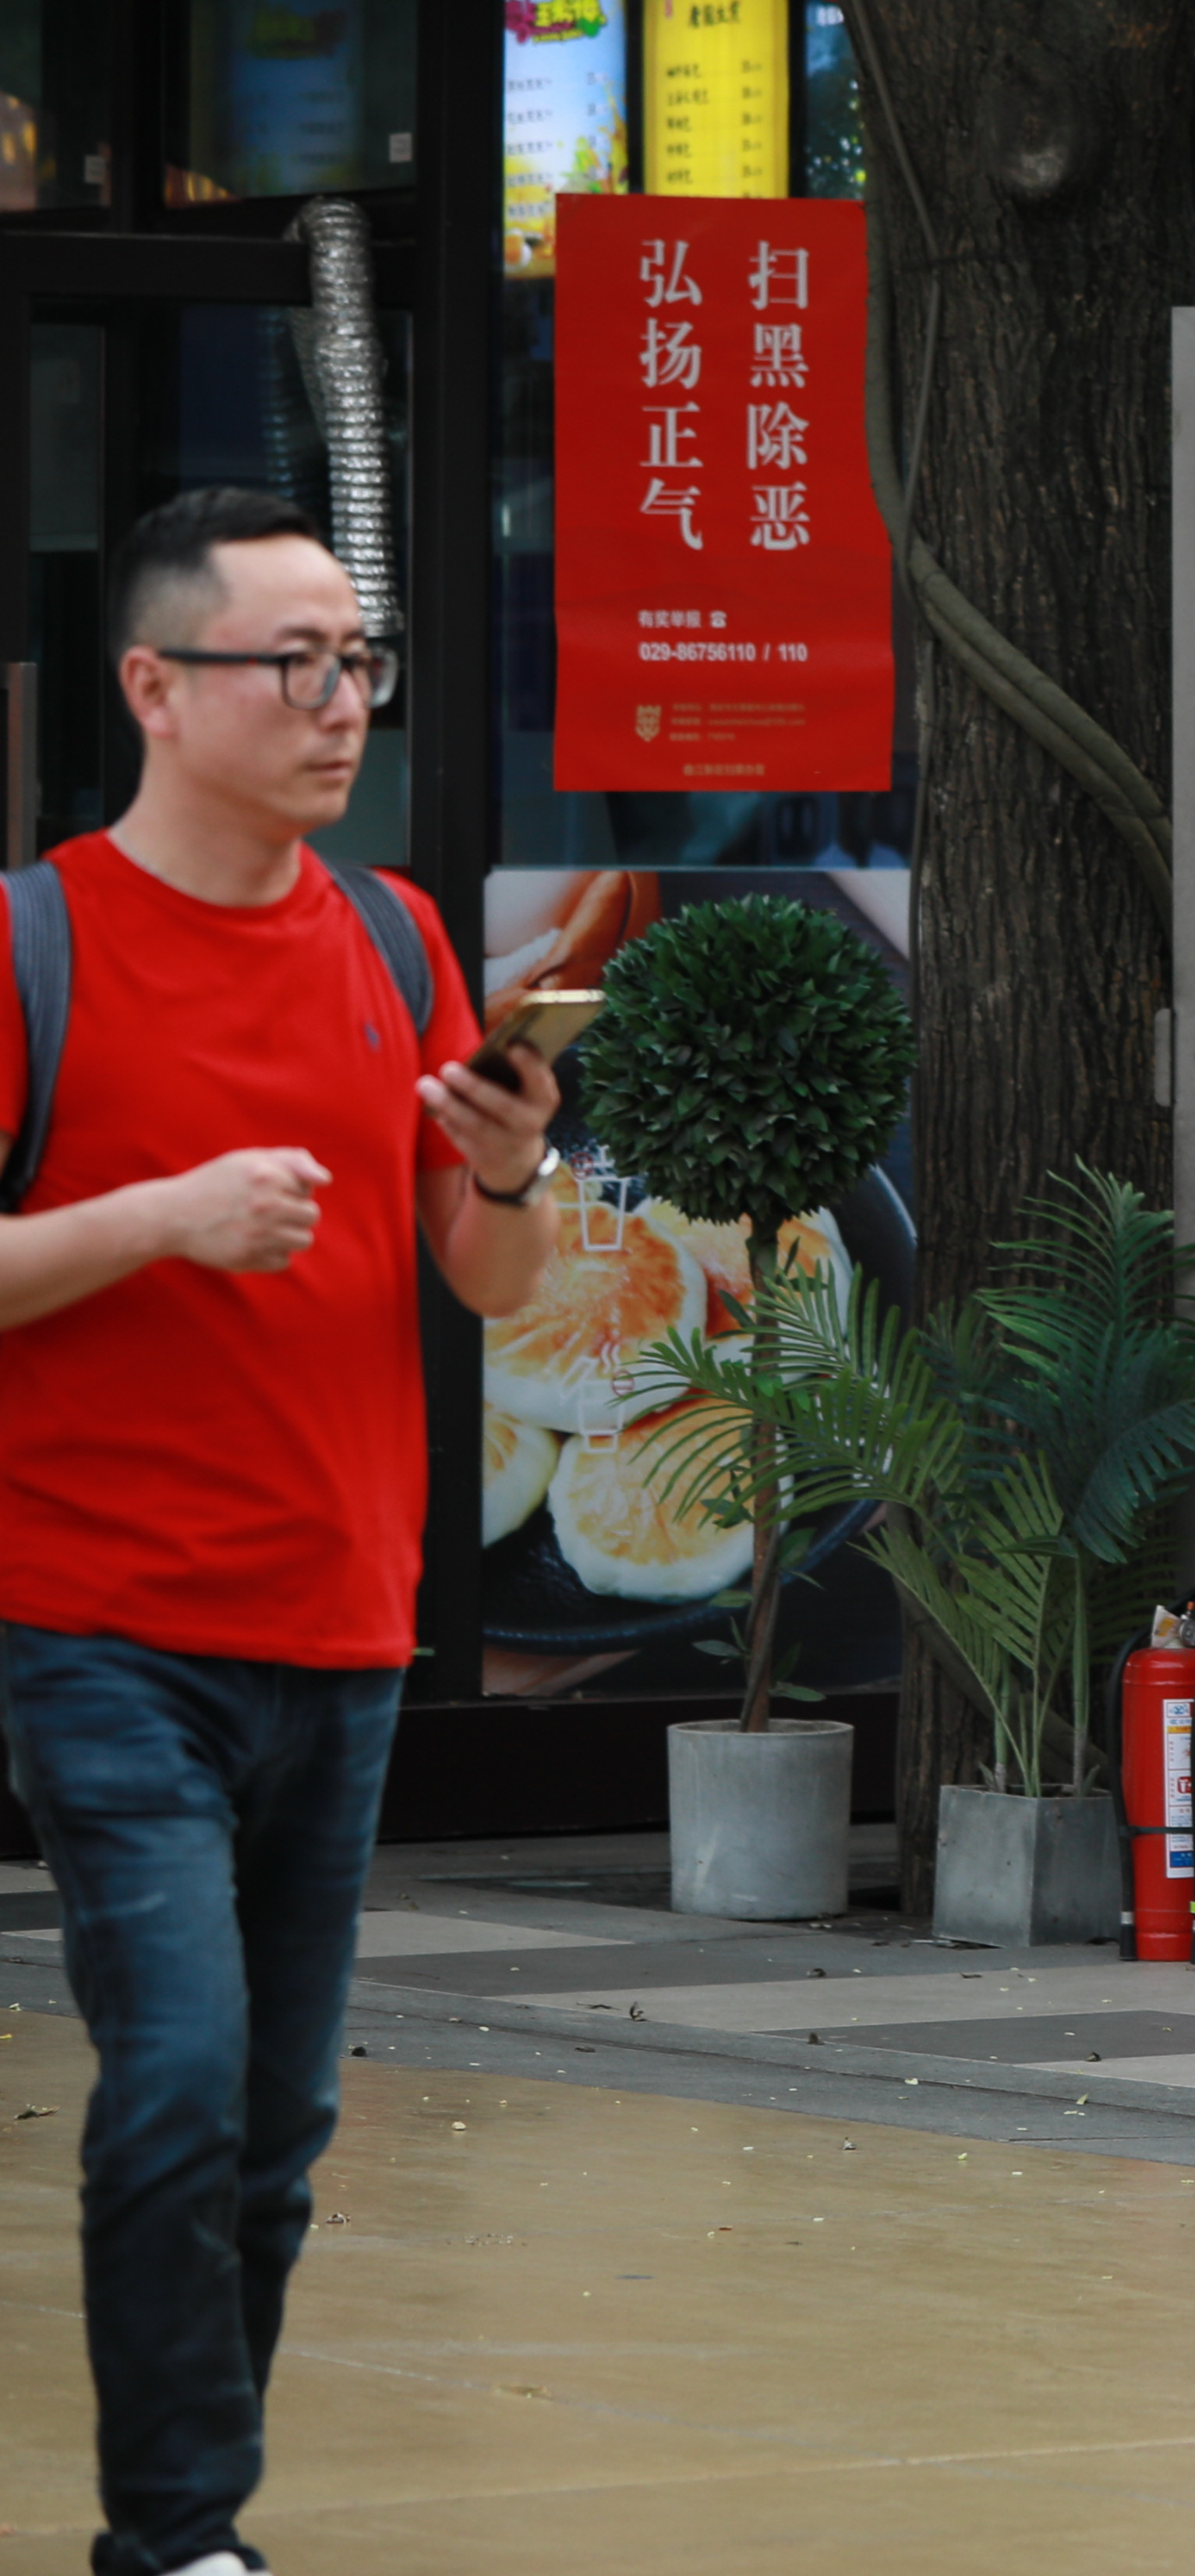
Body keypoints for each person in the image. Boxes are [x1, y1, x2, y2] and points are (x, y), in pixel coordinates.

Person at [0, 486, 558, 2576]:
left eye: (361, 665)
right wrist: (161, 1220)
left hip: (341, 1618)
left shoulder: (402, 936)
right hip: (98, 1624)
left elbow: (484, 1287)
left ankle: (176, 2533)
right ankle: (182, 2536)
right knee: (179, 2084)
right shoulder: (29, 943)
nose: (343, 706)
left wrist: (506, 1172)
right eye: (293, 664)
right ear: (155, 687)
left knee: (275, 2138)